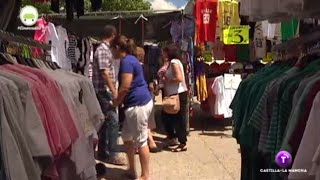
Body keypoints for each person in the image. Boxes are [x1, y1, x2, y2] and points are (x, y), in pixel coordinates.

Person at [111, 35, 153, 180]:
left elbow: (125, 87)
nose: (111, 52)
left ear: (117, 48)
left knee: (141, 141)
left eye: (112, 49)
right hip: (137, 103)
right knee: (127, 137)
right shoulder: (131, 59)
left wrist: (115, 102)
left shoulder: (127, 62)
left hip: (137, 105)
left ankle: (145, 176)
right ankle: (132, 170)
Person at [92, 25, 126, 165]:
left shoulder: (103, 50)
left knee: (106, 121)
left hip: (104, 90)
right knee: (113, 121)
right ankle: (112, 153)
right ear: (112, 35)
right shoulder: (103, 50)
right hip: (104, 91)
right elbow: (104, 73)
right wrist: (114, 91)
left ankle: (103, 152)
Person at [161, 43, 188, 152]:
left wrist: (167, 80)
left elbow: (179, 78)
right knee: (167, 116)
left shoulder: (173, 62)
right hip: (174, 93)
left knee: (178, 119)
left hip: (177, 94)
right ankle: (172, 137)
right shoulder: (174, 62)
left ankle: (182, 142)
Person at [136, 46, 160, 153]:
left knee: (138, 121)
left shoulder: (132, 68)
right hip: (148, 96)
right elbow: (151, 84)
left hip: (137, 97)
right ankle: (151, 141)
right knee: (148, 120)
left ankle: (140, 145)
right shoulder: (148, 68)